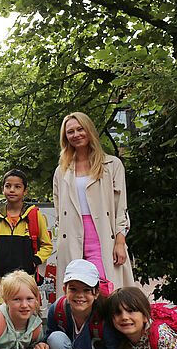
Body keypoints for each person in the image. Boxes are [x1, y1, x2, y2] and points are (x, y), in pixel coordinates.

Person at [53, 112, 134, 297]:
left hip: (103, 235)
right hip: (72, 236)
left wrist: (120, 242)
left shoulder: (112, 165)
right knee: (76, 294)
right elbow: (59, 211)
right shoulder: (62, 170)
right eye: (70, 131)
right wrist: (61, 245)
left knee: (105, 292)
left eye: (80, 129)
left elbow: (121, 207)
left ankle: (107, 326)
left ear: (89, 130)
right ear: (65, 137)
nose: (76, 134)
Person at [0, 169, 52, 301]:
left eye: (17, 187)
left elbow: (47, 245)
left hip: (27, 279)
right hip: (3, 281)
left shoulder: (34, 215)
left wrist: (34, 261)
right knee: (4, 316)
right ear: (3, 189)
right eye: (8, 186)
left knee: (27, 314)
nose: (12, 190)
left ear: (25, 191)